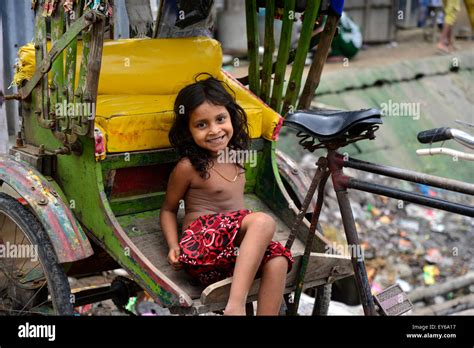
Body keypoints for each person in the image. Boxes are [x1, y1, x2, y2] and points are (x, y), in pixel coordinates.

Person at [160, 74, 294, 315]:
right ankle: (235, 307)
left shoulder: (236, 156)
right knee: (263, 221)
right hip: (201, 247)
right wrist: (173, 246)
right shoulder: (188, 167)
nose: (214, 130)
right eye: (201, 125)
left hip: (231, 254)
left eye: (220, 119)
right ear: (188, 131)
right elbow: (168, 209)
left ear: (232, 116)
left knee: (279, 259)